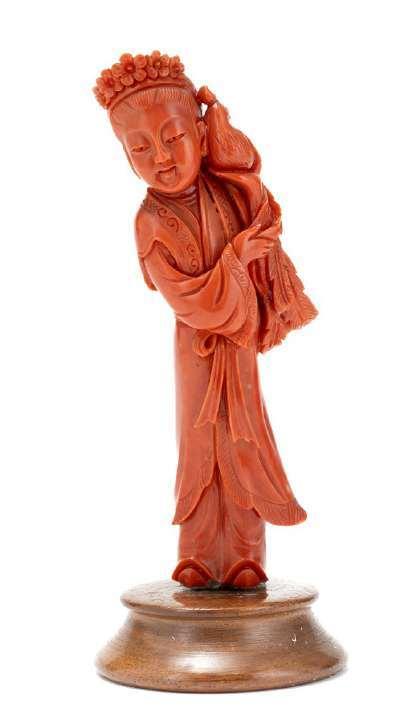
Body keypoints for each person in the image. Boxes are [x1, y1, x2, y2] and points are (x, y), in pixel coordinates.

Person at [93, 51, 317, 588]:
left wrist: (219, 123)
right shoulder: (150, 221)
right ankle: (196, 554)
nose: (161, 158)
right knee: (199, 446)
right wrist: (237, 256)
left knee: (243, 439)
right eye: (140, 148)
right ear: (125, 158)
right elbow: (184, 296)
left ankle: (245, 555)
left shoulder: (227, 192)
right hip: (197, 341)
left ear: (197, 134)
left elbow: (256, 193)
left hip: (236, 347)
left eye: (173, 138)